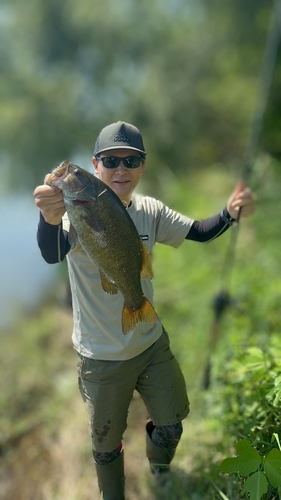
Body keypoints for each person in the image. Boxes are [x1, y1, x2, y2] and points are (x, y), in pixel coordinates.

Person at [34, 121, 256, 499]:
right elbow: (52, 253)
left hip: (150, 343)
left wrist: (231, 213)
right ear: (96, 165)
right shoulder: (74, 213)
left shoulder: (149, 209)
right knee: (105, 448)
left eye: (131, 160)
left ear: (143, 166)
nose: (121, 169)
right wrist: (49, 219)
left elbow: (199, 231)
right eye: (110, 161)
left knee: (172, 426)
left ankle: (160, 471)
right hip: (100, 356)